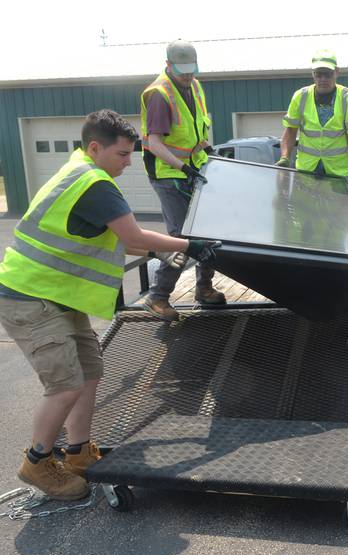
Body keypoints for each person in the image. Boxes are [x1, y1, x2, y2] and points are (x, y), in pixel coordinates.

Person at [0, 110, 221, 499]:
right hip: (29, 297)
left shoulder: (79, 170)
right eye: (122, 154)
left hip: (56, 295)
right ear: (95, 147)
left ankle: (79, 452)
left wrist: (164, 250)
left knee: (90, 371)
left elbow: (123, 240)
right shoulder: (94, 184)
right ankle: (36, 463)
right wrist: (191, 245)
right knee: (64, 385)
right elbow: (133, 234)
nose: (129, 162)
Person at [140, 39, 225, 322]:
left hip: (193, 168)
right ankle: (158, 296)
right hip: (169, 175)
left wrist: (204, 147)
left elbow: (193, 126)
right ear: (168, 65)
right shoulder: (159, 94)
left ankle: (204, 288)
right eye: (182, 70)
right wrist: (181, 166)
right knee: (181, 236)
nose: (188, 75)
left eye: (191, 69)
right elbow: (154, 143)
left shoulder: (194, 85)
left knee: (209, 229)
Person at [277, 50, 348, 185]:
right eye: (318, 74)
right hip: (307, 171)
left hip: (338, 174)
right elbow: (290, 131)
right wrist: (285, 157)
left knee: (338, 207)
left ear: (337, 72)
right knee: (304, 207)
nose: (323, 79)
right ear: (313, 74)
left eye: (328, 74)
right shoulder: (301, 96)